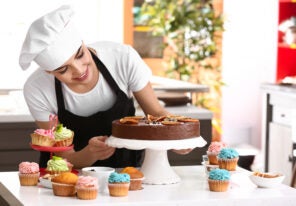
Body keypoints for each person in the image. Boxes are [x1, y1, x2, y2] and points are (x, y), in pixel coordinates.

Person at [19, 5, 192, 169]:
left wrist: (179, 135)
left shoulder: (122, 58)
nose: (79, 71)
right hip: (67, 179)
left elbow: (156, 114)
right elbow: (61, 158)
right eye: (63, 69)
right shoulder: (37, 89)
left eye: (80, 55)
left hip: (127, 169)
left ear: (84, 44)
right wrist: (90, 153)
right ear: (49, 72)